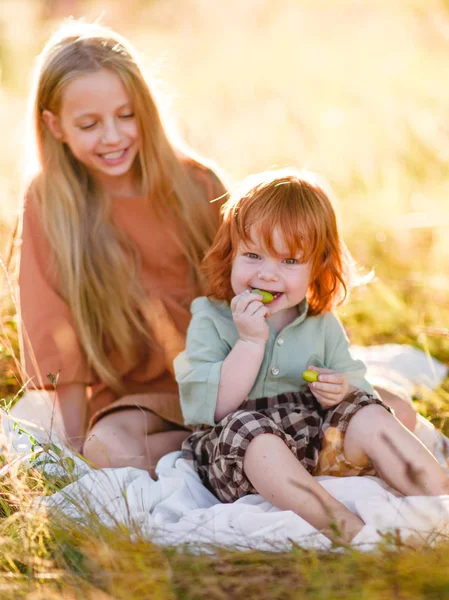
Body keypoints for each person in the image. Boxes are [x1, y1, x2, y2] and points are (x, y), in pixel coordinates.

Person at [174, 168, 449, 542]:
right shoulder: (211, 317)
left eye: (288, 262)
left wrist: (342, 389)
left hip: (318, 443)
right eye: (253, 255)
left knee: (370, 411)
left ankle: (440, 498)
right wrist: (250, 343)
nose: (268, 275)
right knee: (251, 432)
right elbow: (216, 408)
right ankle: (342, 525)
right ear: (230, 254)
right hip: (243, 460)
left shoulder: (321, 323)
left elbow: (358, 386)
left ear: (317, 265)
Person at [16, 21, 227, 474]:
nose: (112, 137)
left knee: (385, 413)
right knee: (107, 451)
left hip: (227, 382)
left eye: (126, 115)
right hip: (139, 401)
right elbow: (57, 338)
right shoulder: (50, 204)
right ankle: (225, 448)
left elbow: (253, 287)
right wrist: (74, 448)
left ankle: (241, 438)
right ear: (55, 126)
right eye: (89, 124)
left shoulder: (198, 184)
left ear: (145, 110)